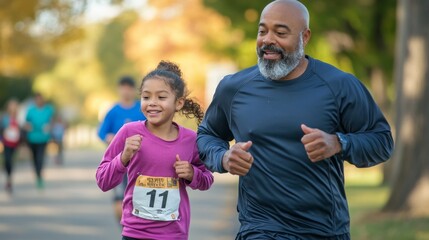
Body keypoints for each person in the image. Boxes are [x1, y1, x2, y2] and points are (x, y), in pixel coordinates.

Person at [197, 1, 394, 239]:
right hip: (259, 228)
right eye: (262, 31)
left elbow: (382, 142)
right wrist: (224, 157)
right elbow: (208, 134)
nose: (268, 40)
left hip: (324, 230)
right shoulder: (234, 87)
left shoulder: (339, 85)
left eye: (280, 33)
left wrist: (339, 143)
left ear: (305, 36)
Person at [96, 61, 213, 240]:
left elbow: (207, 179)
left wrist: (192, 174)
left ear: (179, 103)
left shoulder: (190, 140)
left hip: (174, 234)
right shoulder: (128, 132)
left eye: (161, 97)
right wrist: (123, 157)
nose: (152, 103)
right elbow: (103, 180)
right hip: (134, 233)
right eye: (146, 97)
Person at [97, 76, 147, 223]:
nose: (126, 91)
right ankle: (125, 228)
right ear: (119, 90)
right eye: (123, 88)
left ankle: (137, 228)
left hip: (140, 162)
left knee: (138, 199)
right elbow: (101, 132)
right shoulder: (113, 111)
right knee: (119, 200)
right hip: (118, 161)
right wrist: (109, 138)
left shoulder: (141, 109)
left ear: (133, 90)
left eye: (129, 88)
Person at [25, 93, 54, 189]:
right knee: (34, 158)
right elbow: (26, 122)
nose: (39, 101)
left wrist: (49, 126)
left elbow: (52, 121)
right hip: (32, 138)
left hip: (43, 138)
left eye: (40, 99)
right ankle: (37, 174)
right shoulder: (30, 110)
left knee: (40, 157)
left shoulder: (48, 110)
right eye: (37, 99)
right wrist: (28, 126)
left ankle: (39, 175)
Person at [1, 99, 21, 193]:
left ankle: (9, 179)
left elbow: (22, 131)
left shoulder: (18, 118)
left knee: (12, 161)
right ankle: (8, 178)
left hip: (15, 144)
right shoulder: (5, 118)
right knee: (7, 160)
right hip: (6, 143)